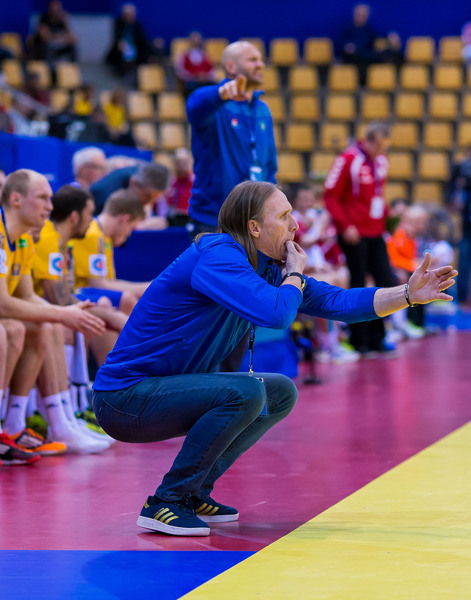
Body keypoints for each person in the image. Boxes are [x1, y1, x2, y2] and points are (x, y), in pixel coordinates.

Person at [92, 180, 457, 537]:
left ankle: (194, 492)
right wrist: (294, 274)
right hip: (124, 399)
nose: (295, 225)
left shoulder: (266, 264)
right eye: (284, 216)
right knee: (246, 393)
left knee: (278, 391)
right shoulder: (218, 256)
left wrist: (407, 294)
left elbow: (338, 302)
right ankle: (166, 500)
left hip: (162, 390)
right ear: (254, 227)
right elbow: (278, 314)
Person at [0, 169, 109, 455]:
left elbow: (27, 296)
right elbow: (3, 303)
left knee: (46, 325)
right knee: (14, 329)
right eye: (42, 198)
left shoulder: (23, 239)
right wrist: (62, 313)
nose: (50, 206)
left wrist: (68, 312)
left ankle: (33, 424)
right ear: (15, 199)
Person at [186, 40, 277, 234]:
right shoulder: (212, 103)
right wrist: (220, 94)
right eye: (253, 60)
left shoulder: (263, 110)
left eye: (261, 60)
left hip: (252, 222)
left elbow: (269, 165)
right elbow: (195, 108)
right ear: (230, 67)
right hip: (213, 220)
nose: (260, 65)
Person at [324, 121, 397, 356]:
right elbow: (330, 196)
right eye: (380, 146)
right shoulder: (348, 159)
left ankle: (378, 338)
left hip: (375, 231)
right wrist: (345, 225)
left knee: (384, 280)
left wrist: (387, 216)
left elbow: (376, 195)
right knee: (358, 282)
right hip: (354, 233)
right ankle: (358, 340)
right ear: (369, 141)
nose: (382, 151)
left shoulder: (381, 161)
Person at [70, 188, 148, 315]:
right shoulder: (92, 235)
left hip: (94, 295)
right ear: (124, 219)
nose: (129, 234)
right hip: (80, 294)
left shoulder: (104, 237)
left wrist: (145, 288)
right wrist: (146, 288)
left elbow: (109, 282)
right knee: (127, 299)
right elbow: (99, 284)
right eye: (131, 227)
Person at [89, 161, 170, 228]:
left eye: (155, 199)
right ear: (133, 182)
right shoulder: (103, 194)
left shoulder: (144, 175)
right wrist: (138, 226)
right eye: (147, 197)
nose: (149, 202)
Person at [448, 148, 471, 306]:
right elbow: (456, 204)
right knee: (463, 262)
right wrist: (460, 185)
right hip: (467, 229)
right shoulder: (462, 174)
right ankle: (462, 298)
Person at [105, 3, 150, 76]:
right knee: (119, 51)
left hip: (135, 48)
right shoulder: (118, 24)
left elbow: (142, 40)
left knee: (145, 51)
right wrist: (120, 43)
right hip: (122, 47)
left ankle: (140, 74)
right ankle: (120, 74)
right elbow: (117, 38)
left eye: (132, 14)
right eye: (128, 14)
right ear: (124, 15)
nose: (130, 16)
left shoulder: (137, 25)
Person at [28, 0, 77, 65]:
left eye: (58, 7)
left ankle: (72, 67)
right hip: (43, 48)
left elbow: (73, 38)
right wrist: (61, 37)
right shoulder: (44, 18)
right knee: (47, 48)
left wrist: (66, 22)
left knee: (72, 47)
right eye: (54, 6)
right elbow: (45, 37)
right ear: (50, 7)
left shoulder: (62, 21)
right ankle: (50, 69)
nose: (55, 9)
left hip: (57, 46)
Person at [341, 3, 378, 84]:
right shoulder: (347, 30)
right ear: (354, 15)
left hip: (367, 59)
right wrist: (347, 47)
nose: (361, 18)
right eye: (359, 15)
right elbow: (341, 45)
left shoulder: (370, 31)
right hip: (352, 59)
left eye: (364, 16)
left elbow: (373, 45)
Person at [175, 31, 216, 99]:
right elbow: (180, 71)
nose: (196, 42)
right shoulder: (184, 55)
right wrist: (195, 76)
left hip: (205, 81)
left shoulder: (205, 55)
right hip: (192, 81)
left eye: (198, 40)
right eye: (194, 40)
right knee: (191, 86)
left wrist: (205, 76)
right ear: (190, 41)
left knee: (214, 87)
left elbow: (212, 69)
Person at [165, 148, 194, 223]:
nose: (182, 167)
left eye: (185, 163)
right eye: (179, 163)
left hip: (191, 218)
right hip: (175, 218)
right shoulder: (170, 182)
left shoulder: (195, 182)